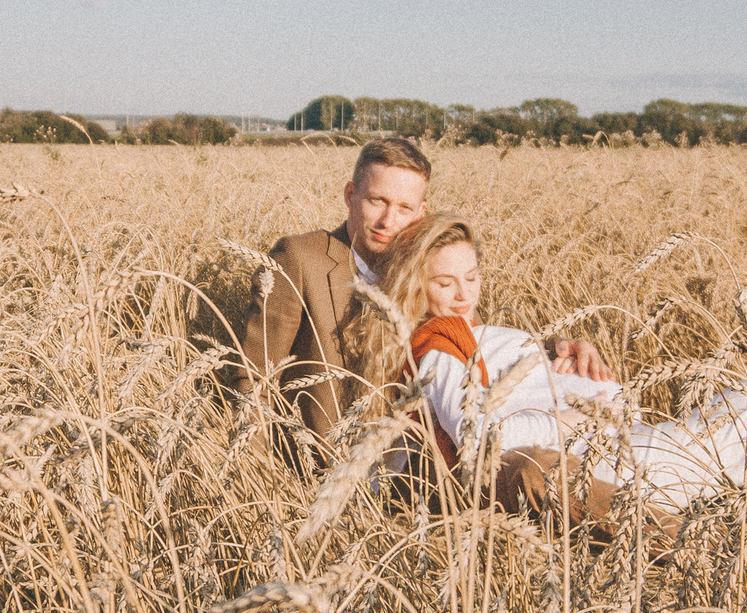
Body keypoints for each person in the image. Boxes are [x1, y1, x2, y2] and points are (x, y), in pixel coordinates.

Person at [357, 214, 747, 534]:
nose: (462, 295)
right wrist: (569, 411)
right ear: (415, 285)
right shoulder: (439, 340)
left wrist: (566, 362)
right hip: (609, 462)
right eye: (444, 283)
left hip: (618, 445)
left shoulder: (469, 336)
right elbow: (480, 436)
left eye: (472, 279)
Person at [235, 138, 612, 454]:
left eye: (404, 208)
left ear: (421, 211)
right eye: (376, 201)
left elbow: (467, 340)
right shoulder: (301, 259)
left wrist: (554, 350)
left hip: (419, 471)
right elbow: (249, 379)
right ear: (351, 195)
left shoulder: (427, 268)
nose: (388, 221)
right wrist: (270, 482)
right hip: (328, 465)